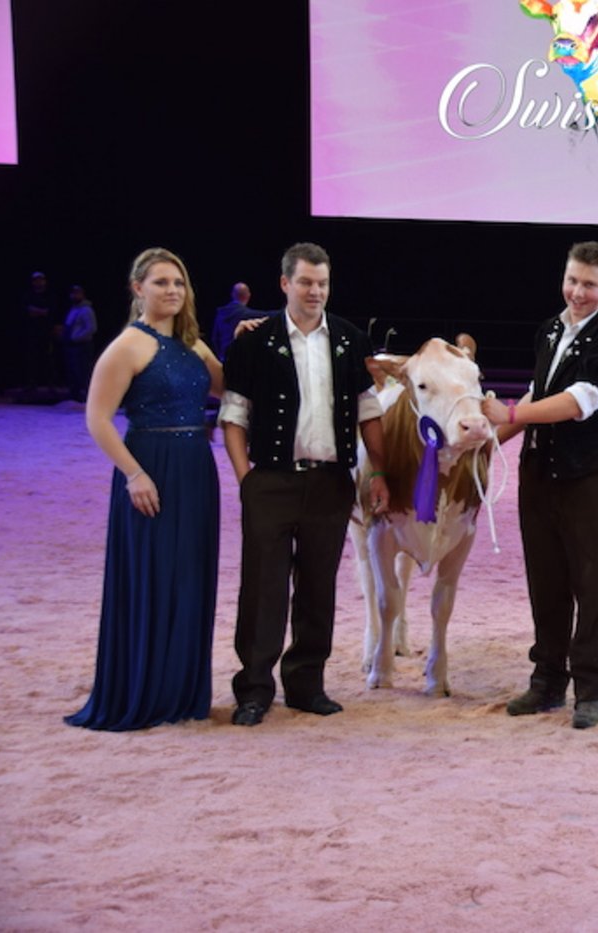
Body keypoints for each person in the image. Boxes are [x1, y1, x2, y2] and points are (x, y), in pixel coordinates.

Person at [219, 243, 390, 726]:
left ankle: (306, 685)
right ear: (284, 284)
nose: (315, 291)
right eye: (306, 282)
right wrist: (246, 480)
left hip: (330, 483)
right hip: (270, 483)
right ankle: (254, 689)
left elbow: (368, 413)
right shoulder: (254, 341)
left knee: (318, 588)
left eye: (322, 283)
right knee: (263, 589)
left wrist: (378, 472)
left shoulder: (351, 340)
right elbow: (233, 416)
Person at [480, 241, 598, 730]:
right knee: (545, 581)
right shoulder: (550, 330)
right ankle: (547, 681)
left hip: (592, 479)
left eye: (589, 284)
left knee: (592, 584)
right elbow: (540, 392)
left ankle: (591, 690)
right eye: (572, 280)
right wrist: (491, 439)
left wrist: (509, 414)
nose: (578, 292)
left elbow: (576, 402)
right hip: (539, 475)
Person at [66, 248, 224, 731]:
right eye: (160, 282)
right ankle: (145, 691)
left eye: (178, 282)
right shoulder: (128, 346)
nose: (172, 290)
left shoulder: (194, 345)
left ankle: (180, 692)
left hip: (195, 468)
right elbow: (97, 419)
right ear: (138, 289)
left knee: (189, 576)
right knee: (153, 577)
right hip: (151, 469)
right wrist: (134, 474)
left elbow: (230, 387)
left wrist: (250, 339)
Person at [209, 282, 266, 361]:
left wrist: (220, 356)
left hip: (222, 358)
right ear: (248, 295)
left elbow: (214, 338)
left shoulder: (220, 313)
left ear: (232, 294)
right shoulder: (247, 314)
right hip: (238, 360)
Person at [63, 284, 98, 402]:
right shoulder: (73, 309)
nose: (75, 295)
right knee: (73, 371)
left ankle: (88, 397)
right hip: (72, 345)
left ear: (82, 295)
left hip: (82, 345)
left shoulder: (86, 310)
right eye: (73, 293)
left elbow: (91, 328)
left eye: (78, 293)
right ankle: (75, 396)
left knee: (83, 371)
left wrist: (76, 337)